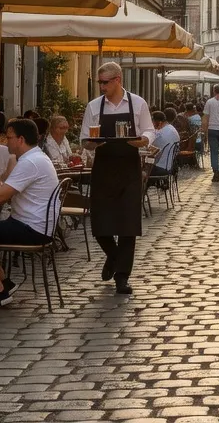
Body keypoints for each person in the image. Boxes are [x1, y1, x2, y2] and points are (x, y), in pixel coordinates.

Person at [0, 118, 61, 307]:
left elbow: (0, 197)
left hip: (31, 229)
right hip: (35, 225)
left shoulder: (29, 162)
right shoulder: (35, 158)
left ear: (21, 139)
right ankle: (4, 282)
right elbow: (4, 190)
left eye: (9, 138)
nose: (5, 142)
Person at [79, 64, 155, 294]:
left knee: (128, 224)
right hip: (103, 166)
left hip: (128, 167)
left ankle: (123, 276)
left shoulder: (138, 103)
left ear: (118, 80)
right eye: (99, 83)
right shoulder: (93, 107)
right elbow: (84, 139)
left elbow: (150, 130)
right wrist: (92, 143)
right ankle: (114, 256)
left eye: (105, 82)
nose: (101, 87)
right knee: (100, 224)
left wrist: (143, 140)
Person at [148, 111, 180, 176]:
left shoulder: (161, 134)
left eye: (152, 123)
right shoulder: (171, 128)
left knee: (140, 170)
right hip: (170, 164)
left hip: (161, 167)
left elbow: (152, 151)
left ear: (159, 122)